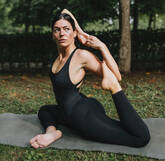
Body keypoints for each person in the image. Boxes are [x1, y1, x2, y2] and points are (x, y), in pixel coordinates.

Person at [30, 9, 150, 149]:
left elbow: (117, 76)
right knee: (44, 111)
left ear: (73, 33)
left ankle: (113, 88)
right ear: (53, 35)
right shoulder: (58, 59)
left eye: (66, 29)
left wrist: (102, 47)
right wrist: (78, 32)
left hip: (83, 117)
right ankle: (51, 133)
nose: (62, 33)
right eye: (57, 30)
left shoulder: (81, 56)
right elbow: (64, 10)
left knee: (140, 138)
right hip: (70, 110)